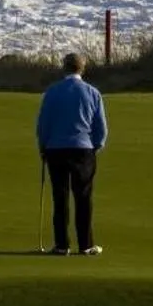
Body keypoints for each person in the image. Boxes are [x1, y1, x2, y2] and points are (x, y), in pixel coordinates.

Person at [36, 52, 107, 255]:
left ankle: (61, 245)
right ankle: (86, 245)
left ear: (64, 68)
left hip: (55, 150)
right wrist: (96, 146)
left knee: (60, 197)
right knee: (83, 197)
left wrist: (43, 147)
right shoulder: (92, 93)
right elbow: (100, 127)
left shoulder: (52, 92)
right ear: (82, 68)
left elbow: (43, 124)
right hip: (83, 150)